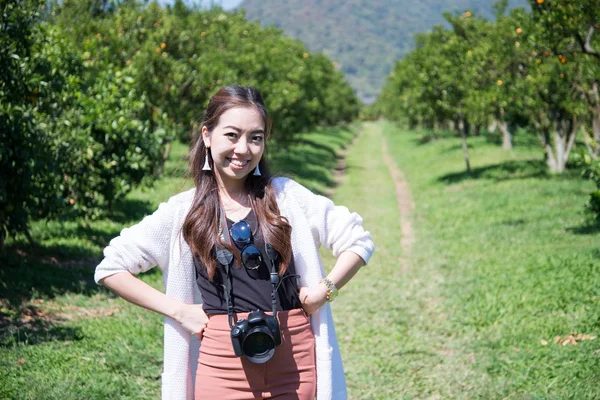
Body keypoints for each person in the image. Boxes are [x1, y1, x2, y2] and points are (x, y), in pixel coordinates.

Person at [94, 85, 374, 400]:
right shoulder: (185, 211)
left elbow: (358, 240)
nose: (243, 149)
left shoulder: (285, 197)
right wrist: (178, 311)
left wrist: (325, 290)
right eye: (232, 135)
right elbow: (111, 267)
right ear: (207, 135)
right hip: (220, 364)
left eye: (256, 137)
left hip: (294, 359)